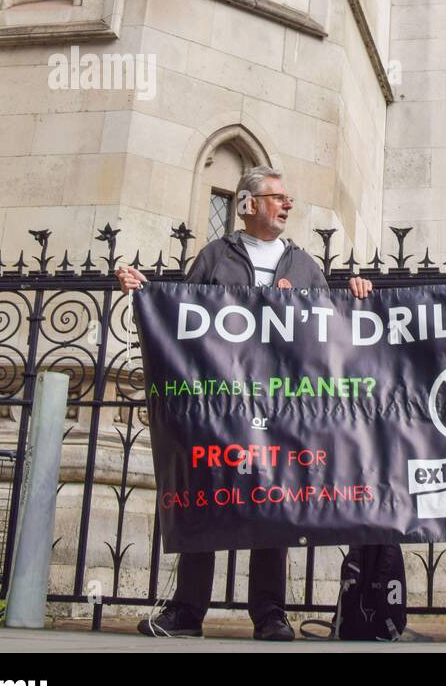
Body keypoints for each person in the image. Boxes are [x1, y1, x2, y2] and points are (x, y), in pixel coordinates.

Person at [117, 166, 372, 640]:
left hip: (280, 406)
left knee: (274, 499)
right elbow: (182, 317)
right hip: (220, 403)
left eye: (287, 197)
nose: (287, 204)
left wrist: (355, 297)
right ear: (249, 205)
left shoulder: (305, 267)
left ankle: (270, 613)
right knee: (207, 493)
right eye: (277, 197)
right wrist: (146, 293)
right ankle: (187, 612)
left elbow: (328, 336)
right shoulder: (216, 256)